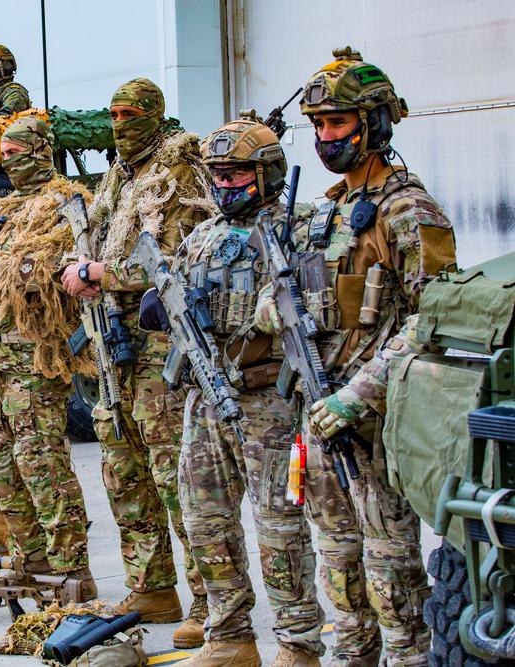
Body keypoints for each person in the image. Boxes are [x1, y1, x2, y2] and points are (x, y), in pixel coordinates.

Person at [255, 47, 457, 665]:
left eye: (336, 124)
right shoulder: (324, 208)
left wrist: (356, 394)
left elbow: (437, 318)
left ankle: (407, 657)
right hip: (318, 411)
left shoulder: (407, 209)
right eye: (317, 126)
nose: (324, 137)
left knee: (389, 565)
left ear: (373, 124)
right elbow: (288, 292)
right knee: (338, 561)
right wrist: (272, 308)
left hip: (376, 419)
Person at [140, 116, 324, 666]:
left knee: (279, 528)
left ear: (266, 173)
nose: (225, 184)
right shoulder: (203, 232)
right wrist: (161, 301)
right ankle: (230, 636)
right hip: (204, 397)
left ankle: (297, 644)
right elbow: (172, 283)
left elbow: (306, 304)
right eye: (216, 174)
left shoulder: (301, 226)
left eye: (237, 173)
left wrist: (234, 311)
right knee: (204, 520)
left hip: (269, 399)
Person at [59, 78, 215, 636]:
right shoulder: (116, 182)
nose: (120, 124)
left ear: (154, 115)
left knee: (177, 480)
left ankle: (209, 601)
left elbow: (180, 263)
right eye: (114, 114)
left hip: (157, 351)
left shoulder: (175, 178)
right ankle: (152, 591)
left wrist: (104, 275)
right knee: (124, 475)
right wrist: (75, 269)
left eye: (130, 114)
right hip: (111, 350)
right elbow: (90, 245)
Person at [0, 117, 94, 593]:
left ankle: (74, 570)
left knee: (43, 467)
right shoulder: (8, 210)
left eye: (15, 152)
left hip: (36, 360)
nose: (7, 162)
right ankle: (31, 558)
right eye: (3, 154)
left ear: (39, 151)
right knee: (6, 470)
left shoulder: (63, 203)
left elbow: (63, 266)